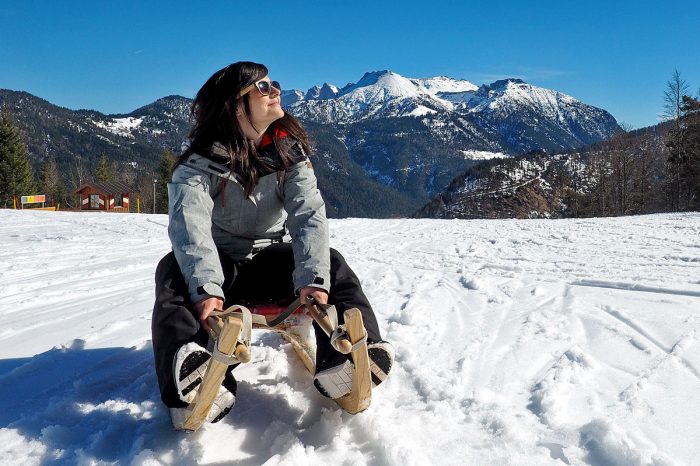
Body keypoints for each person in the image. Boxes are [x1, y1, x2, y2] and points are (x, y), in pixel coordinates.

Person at [151, 61, 394, 426]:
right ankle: (189, 371)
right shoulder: (199, 162)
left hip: (270, 261)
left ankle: (348, 358)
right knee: (171, 271)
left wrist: (312, 279)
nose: (275, 91)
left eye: (273, 83)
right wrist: (206, 290)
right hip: (223, 270)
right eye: (262, 88)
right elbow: (190, 228)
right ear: (236, 105)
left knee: (333, 263)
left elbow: (308, 216)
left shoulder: (288, 154)